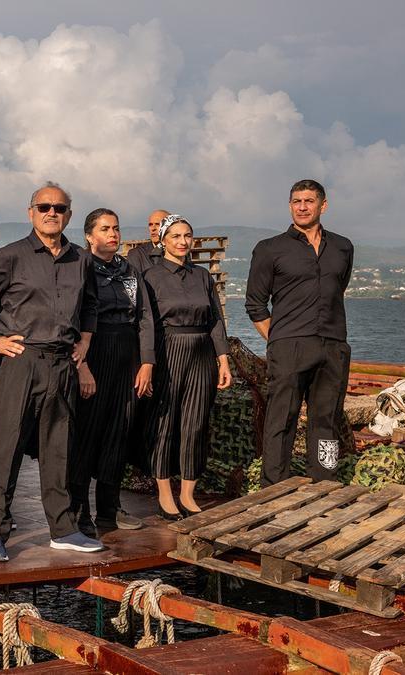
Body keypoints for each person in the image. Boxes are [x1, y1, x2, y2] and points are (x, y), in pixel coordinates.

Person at [0, 181, 101, 563]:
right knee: (6, 448)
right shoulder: (11, 256)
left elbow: (90, 304)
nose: (51, 213)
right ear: (31, 213)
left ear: (69, 215)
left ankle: (63, 528)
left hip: (63, 362)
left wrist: (85, 341)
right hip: (21, 360)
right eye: (44, 207)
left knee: (59, 448)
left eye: (59, 208)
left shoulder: (80, 259)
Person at [246, 179, 354, 485]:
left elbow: (337, 289)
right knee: (281, 419)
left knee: (327, 420)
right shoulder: (270, 249)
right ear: (290, 205)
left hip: (333, 346)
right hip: (288, 346)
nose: (302, 207)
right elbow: (255, 303)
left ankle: (325, 482)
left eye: (308, 201)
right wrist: (279, 339)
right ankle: (274, 485)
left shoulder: (343, 247)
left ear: (323, 205)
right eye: (296, 201)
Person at [68, 209, 154, 535]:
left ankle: (110, 507)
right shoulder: (80, 268)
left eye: (116, 228)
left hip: (127, 355)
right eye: (105, 229)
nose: (113, 234)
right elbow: (74, 319)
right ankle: (79, 510)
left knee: (119, 432)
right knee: (87, 435)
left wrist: (147, 363)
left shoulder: (130, 272)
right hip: (94, 352)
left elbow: (145, 318)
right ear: (89, 235)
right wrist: (82, 367)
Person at [142, 214, 233, 519]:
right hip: (168, 350)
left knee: (195, 423)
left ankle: (188, 494)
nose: (182, 242)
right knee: (165, 423)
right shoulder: (151, 276)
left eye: (187, 236)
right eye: (176, 236)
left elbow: (216, 321)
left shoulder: (203, 276)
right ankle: (165, 494)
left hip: (201, 354)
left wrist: (223, 360)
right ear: (163, 240)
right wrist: (148, 363)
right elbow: (146, 325)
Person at [127, 209, 169, 274]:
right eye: (150, 224)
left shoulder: (179, 252)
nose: (153, 228)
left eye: (158, 224)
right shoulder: (137, 255)